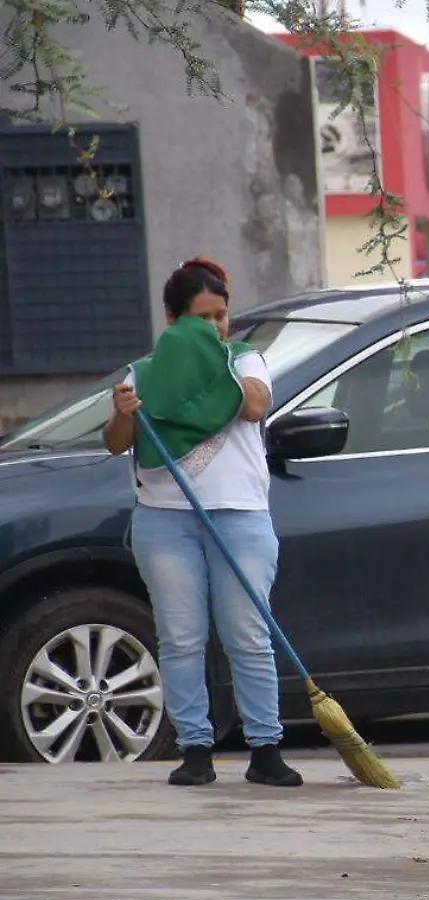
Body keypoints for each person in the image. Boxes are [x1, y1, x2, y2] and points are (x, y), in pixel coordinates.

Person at [104, 259, 301, 788]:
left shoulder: (244, 359)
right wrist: (125, 409)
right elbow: (118, 440)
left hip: (239, 517)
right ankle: (195, 748)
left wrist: (211, 365)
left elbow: (256, 406)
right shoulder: (143, 374)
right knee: (181, 638)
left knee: (247, 635)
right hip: (165, 521)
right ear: (174, 320)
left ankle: (266, 748)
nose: (218, 326)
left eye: (222, 315)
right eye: (203, 318)